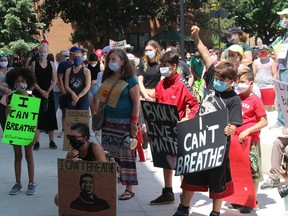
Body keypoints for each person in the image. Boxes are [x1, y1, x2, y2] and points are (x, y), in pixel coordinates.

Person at [173, 25, 242, 216]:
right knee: (191, 178)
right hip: (199, 142)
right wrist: (196, 36)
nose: (218, 81)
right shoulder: (212, 81)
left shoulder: (234, 99)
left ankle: (215, 212)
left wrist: (231, 128)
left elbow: (235, 122)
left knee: (217, 183)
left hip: (218, 147)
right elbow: (205, 54)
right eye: (217, 77)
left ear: (231, 82)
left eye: (223, 79)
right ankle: (183, 209)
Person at [149, 50, 199, 205]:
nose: (162, 68)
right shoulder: (160, 83)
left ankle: (185, 196)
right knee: (165, 160)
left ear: (174, 66)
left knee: (181, 164)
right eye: (161, 65)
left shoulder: (182, 84)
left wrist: (187, 119)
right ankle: (168, 192)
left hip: (179, 129)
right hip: (162, 130)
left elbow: (195, 104)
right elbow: (156, 103)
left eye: (166, 65)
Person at [97, 48, 140, 200]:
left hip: (124, 124)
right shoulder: (107, 79)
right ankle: (109, 185)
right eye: (109, 60)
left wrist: (134, 123)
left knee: (126, 156)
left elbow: (136, 103)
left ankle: (129, 188)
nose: (111, 62)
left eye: (114, 59)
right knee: (108, 155)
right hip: (108, 124)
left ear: (123, 62)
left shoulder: (130, 80)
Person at [231, 66, 268, 213]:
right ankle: (239, 198)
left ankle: (251, 200)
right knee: (236, 170)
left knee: (252, 172)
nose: (240, 84)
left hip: (251, 141)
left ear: (251, 83)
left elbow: (264, 121)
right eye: (238, 81)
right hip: (236, 141)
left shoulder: (255, 100)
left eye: (243, 81)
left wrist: (248, 130)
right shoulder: (236, 98)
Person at [54, 122, 107, 206]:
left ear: (85, 138)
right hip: (80, 185)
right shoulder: (73, 150)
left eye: (74, 137)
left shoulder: (95, 148)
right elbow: (65, 174)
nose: (72, 140)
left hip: (95, 184)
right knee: (58, 199)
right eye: (70, 137)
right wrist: (69, 160)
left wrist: (83, 166)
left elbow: (105, 171)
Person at [5, 67, 37, 195]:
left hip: (28, 131)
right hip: (15, 131)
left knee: (29, 156)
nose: (20, 83)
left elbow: (34, 118)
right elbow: (8, 116)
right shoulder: (10, 97)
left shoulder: (32, 97)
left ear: (28, 81)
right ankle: (18, 183)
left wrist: (34, 134)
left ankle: (31, 182)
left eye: (23, 81)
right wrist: (9, 110)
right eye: (17, 81)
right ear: (13, 82)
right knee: (17, 156)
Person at [31, 43, 58, 150]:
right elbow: (32, 80)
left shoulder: (51, 63)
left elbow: (55, 79)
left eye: (45, 51)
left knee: (50, 116)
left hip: (48, 93)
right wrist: (41, 91)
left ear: (48, 52)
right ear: (38, 52)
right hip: (37, 92)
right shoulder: (34, 63)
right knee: (37, 117)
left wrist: (48, 91)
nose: (43, 53)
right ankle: (37, 142)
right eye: (41, 52)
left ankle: (52, 141)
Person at [57, 46, 80, 138]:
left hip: (77, 92)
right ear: (71, 54)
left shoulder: (79, 64)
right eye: (75, 55)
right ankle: (63, 129)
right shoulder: (63, 64)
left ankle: (75, 131)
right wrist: (63, 90)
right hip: (66, 92)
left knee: (75, 112)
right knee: (65, 111)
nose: (77, 57)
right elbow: (59, 78)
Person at [270, 8, 288, 129]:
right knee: (282, 95)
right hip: (282, 67)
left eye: (285, 18)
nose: (283, 21)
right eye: (282, 18)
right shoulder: (286, 35)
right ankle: (281, 120)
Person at [253, 44, 277, 111]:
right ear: (259, 52)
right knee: (259, 108)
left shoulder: (271, 61)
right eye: (262, 51)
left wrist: (274, 85)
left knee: (269, 108)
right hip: (258, 87)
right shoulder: (255, 62)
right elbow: (253, 74)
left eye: (265, 51)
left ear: (268, 52)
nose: (263, 53)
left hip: (269, 87)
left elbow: (275, 74)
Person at [0, 53, 11, 131]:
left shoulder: (11, 70)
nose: (4, 62)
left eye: (5, 60)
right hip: (1, 95)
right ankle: (5, 130)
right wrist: (3, 89)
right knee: (2, 114)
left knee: (9, 112)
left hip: (10, 95)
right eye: (2, 60)